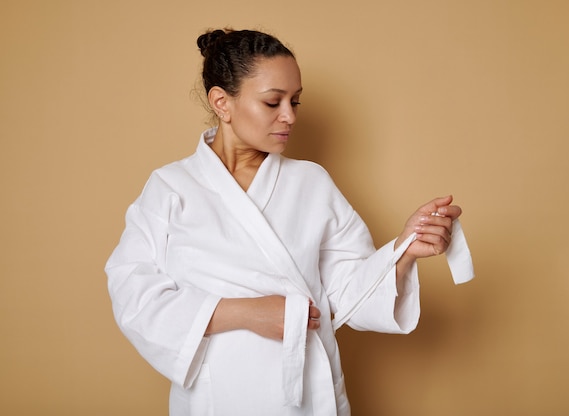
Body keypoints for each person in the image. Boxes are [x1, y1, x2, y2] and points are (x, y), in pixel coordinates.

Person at [105, 28, 462, 416]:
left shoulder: (312, 183)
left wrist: (404, 250)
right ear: (222, 103)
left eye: (295, 101)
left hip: (307, 395)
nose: (289, 117)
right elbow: (133, 294)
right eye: (273, 102)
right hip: (217, 397)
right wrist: (245, 312)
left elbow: (349, 295)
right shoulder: (171, 188)